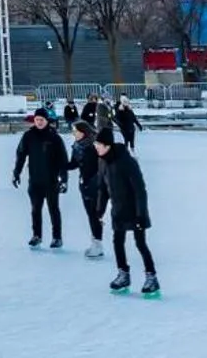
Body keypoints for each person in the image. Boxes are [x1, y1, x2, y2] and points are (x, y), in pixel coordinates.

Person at [95, 127, 158, 295]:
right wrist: (99, 211)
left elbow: (140, 190)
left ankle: (151, 277)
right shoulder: (102, 161)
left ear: (107, 145)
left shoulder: (127, 161)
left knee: (140, 243)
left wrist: (141, 215)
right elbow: (103, 189)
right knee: (117, 242)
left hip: (134, 209)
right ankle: (123, 274)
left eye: (99, 145)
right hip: (118, 209)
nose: (96, 148)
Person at [12, 109, 69, 248]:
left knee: (53, 209)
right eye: (37, 119)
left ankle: (57, 237)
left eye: (41, 120)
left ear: (47, 120)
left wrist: (64, 179)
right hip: (35, 180)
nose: (39, 122)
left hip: (51, 180)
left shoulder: (54, 137)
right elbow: (21, 155)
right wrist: (16, 173)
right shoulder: (29, 136)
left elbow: (63, 159)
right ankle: (36, 235)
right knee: (35, 209)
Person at [66, 120, 107, 258]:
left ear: (83, 132)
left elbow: (104, 165)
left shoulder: (94, 146)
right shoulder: (77, 146)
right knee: (91, 214)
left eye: (75, 131)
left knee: (95, 215)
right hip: (84, 184)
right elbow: (73, 164)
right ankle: (95, 242)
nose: (73, 133)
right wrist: (57, 164)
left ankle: (97, 244)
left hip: (96, 185)